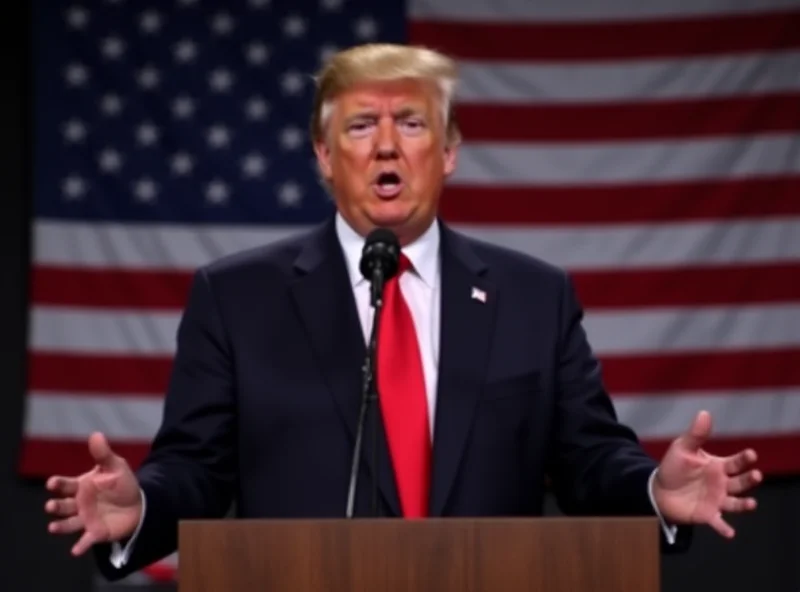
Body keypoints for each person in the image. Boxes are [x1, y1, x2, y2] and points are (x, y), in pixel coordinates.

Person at [44, 43, 761, 581]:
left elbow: (587, 460)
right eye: (360, 126)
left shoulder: (534, 297)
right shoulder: (237, 299)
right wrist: (142, 511)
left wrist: (652, 493)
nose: (386, 144)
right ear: (323, 154)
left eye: (411, 122)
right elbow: (195, 470)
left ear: (449, 151)